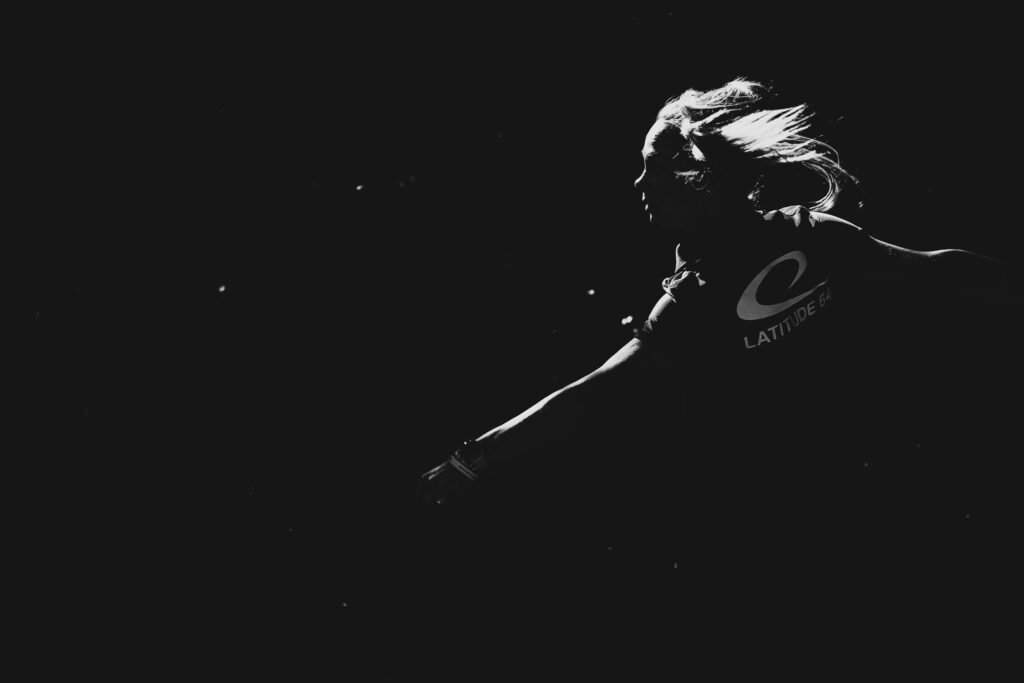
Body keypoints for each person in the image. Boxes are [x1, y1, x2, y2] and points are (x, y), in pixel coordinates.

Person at [415, 78, 1018, 531]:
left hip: (783, 503)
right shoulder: (812, 232)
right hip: (874, 471)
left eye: (651, 170)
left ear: (695, 179)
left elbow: (592, 396)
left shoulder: (697, 300)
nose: (638, 185)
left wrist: (474, 458)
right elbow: (937, 269)